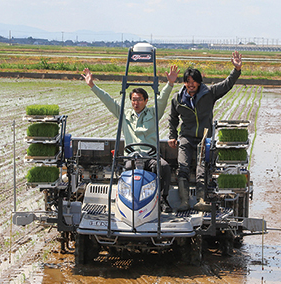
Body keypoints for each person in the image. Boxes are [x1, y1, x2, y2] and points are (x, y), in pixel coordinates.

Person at [82, 65, 180, 213]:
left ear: (146, 101)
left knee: (164, 167)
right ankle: (125, 203)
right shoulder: (125, 115)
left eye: (139, 100)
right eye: (133, 100)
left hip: (150, 157)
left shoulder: (154, 114)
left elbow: (162, 99)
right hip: (132, 158)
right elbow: (108, 101)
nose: (136, 103)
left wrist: (170, 83)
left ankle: (163, 199)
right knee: (126, 172)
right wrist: (92, 85)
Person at [168, 51, 242, 211]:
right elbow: (173, 118)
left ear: (199, 82)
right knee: (183, 167)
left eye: (194, 81)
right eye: (188, 82)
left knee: (202, 167)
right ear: (185, 83)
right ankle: (184, 202)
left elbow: (227, 84)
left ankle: (201, 200)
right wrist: (172, 136)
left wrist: (236, 70)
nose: (191, 84)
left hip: (204, 138)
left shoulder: (209, 93)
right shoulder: (178, 99)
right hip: (186, 138)